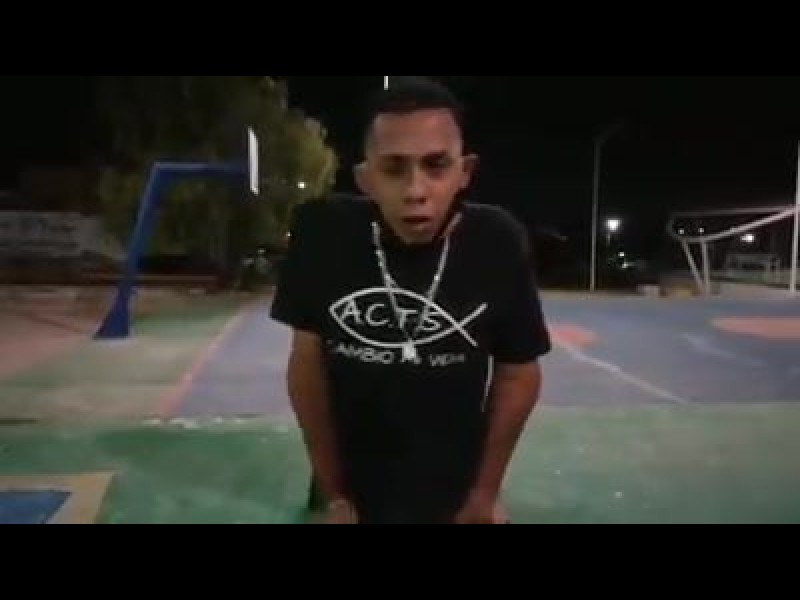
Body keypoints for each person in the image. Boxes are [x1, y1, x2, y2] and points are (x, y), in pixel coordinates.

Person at [270, 76, 551, 524]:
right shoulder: (322, 234)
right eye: (394, 169)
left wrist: (484, 493)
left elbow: (518, 373)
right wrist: (334, 494)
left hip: (454, 485)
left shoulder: (497, 241)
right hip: (349, 481)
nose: (416, 190)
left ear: (465, 172)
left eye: (436, 165)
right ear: (365, 178)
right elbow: (307, 366)